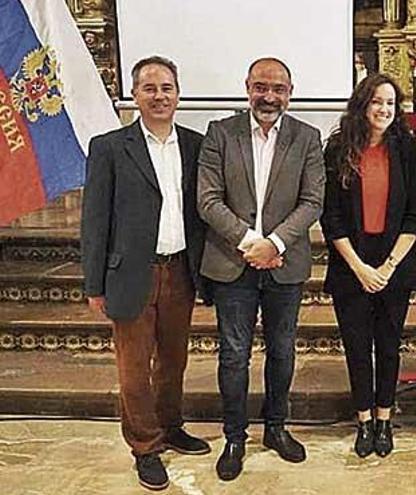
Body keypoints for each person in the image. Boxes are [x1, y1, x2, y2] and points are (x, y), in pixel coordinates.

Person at [81, 56, 209, 491]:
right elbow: (95, 219)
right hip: (129, 274)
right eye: (150, 88)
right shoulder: (110, 147)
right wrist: (93, 283)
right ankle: (145, 447)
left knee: (173, 362)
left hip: (180, 272)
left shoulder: (195, 145)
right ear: (134, 95)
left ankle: (171, 426)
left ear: (178, 94)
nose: (159, 96)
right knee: (134, 370)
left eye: (167, 88)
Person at [197, 57, 325, 480]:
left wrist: (275, 243)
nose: (269, 96)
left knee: (283, 350)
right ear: (247, 87)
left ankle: (276, 428)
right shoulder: (220, 133)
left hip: (285, 264)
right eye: (261, 87)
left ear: (290, 92)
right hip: (233, 262)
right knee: (234, 354)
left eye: (279, 88)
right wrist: (253, 244)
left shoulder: (308, 137)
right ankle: (235, 436)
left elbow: (313, 202)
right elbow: (208, 199)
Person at [320, 73, 416, 458]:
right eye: (376, 102)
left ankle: (385, 419)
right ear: (362, 105)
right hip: (351, 265)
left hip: (394, 264)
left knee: (388, 346)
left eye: (390, 103)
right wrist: (361, 268)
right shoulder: (337, 150)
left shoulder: (407, 150)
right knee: (356, 346)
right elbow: (330, 217)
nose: (383, 110)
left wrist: (388, 266)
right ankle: (363, 420)